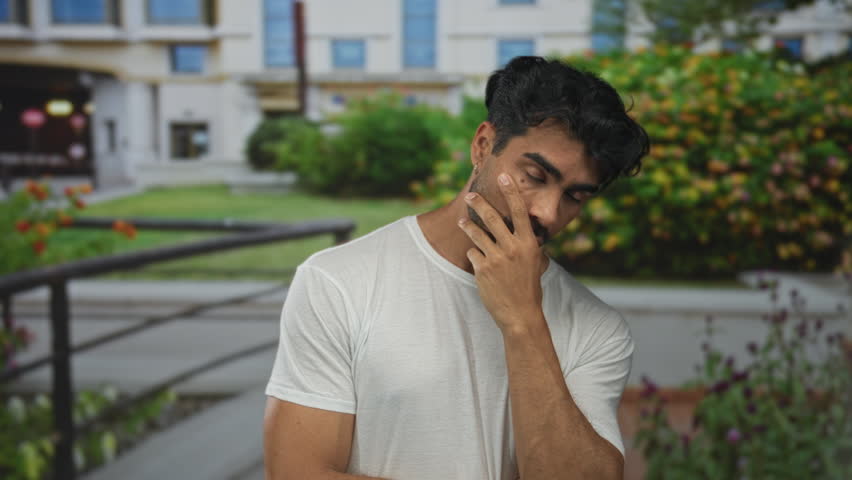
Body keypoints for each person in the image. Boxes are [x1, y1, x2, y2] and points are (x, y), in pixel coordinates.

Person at [263, 56, 650, 480]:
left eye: (575, 196)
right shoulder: (338, 282)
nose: (548, 212)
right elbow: (296, 472)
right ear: (483, 146)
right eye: (535, 175)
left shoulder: (598, 330)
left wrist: (524, 322)